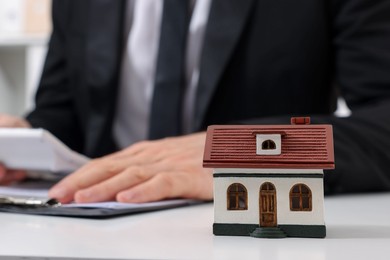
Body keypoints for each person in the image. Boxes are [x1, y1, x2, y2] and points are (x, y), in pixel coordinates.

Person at [1, 0, 390, 204]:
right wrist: (24, 141)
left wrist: (247, 151)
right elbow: (64, 110)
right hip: (98, 217)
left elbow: (383, 118)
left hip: (246, 228)